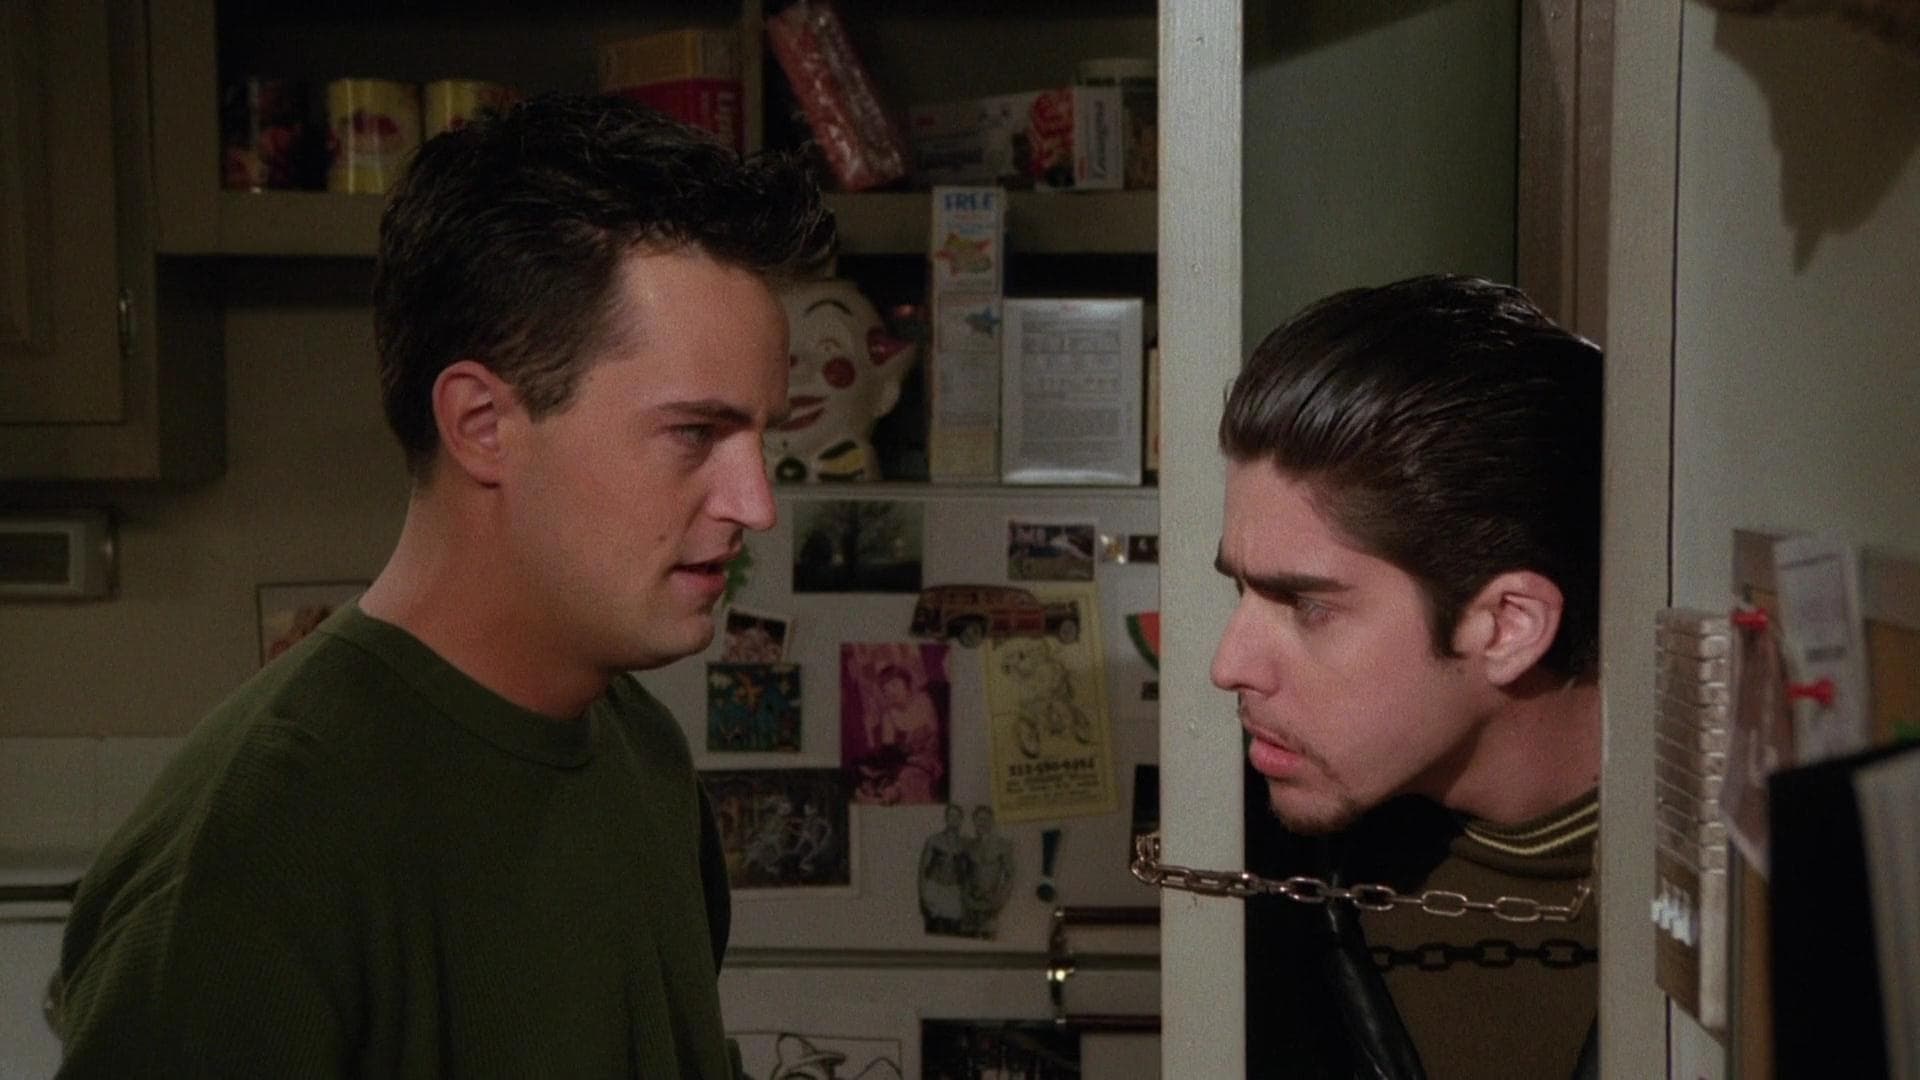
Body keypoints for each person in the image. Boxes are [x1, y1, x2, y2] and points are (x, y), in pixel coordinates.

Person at [53, 93, 833, 1077]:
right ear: (481, 425)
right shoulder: (258, 844)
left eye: (763, 436)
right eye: (694, 433)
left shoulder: (644, 756)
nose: (756, 503)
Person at [1207, 276, 1603, 1079]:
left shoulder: (1755, 889)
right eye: (1240, 590)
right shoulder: (1256, 863)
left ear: (1507, 626)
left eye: (1307, 606)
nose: (1228, 667)